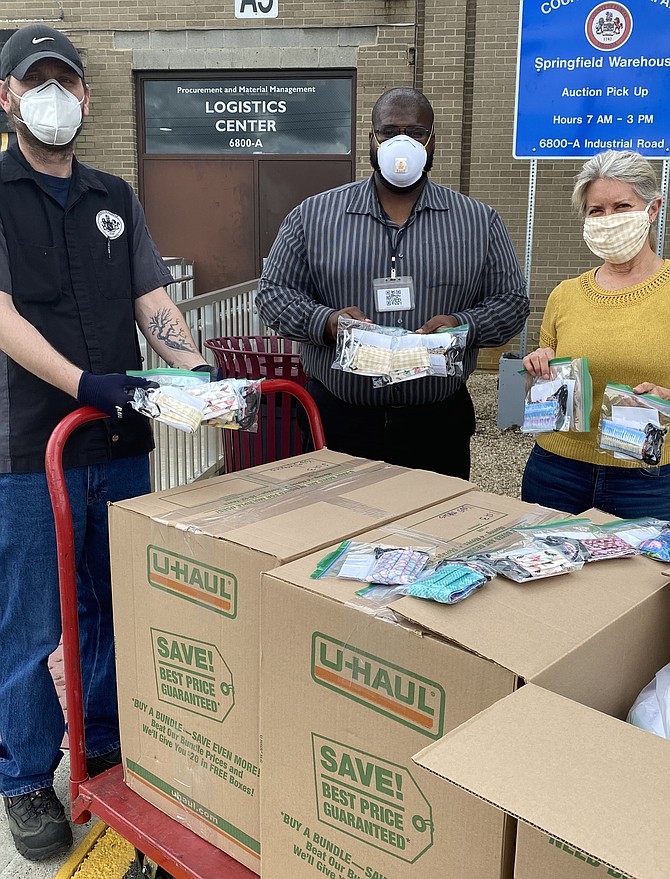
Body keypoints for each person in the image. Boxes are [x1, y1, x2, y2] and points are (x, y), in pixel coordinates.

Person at [0, 25, 213, 860]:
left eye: (66, 82)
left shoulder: (113, 197)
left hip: (119, 446)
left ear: (86, 98)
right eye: (35, 81)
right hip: (30, 450)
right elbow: (4, 317)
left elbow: (152, 299)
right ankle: (23, 775)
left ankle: (105, 739)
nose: (53, 96)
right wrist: (84, 383)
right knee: (29, 619)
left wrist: (196, 366)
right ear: (8, 96)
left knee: (117, 604)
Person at [256, 87, 529, 478]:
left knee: (433, 529)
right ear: (371, 138)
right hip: (337, 421)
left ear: (433, 141)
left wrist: (462, 326)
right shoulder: (313, 215)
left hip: (436, 425)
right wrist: (328, 322)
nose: (402, 143)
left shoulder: (478, 221)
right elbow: (273, 294)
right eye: (389, 131)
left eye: (416, 133)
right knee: (337, 530)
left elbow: (511, 303)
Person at [521, 149, 670, 517]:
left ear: (652, 209)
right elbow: (540, 387)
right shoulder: (565, 295)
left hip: (648, 480)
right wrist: (536, 370)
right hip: (555, 470)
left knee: (641, 577)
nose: (609, 219)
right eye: (596, 211)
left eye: (622, 207)